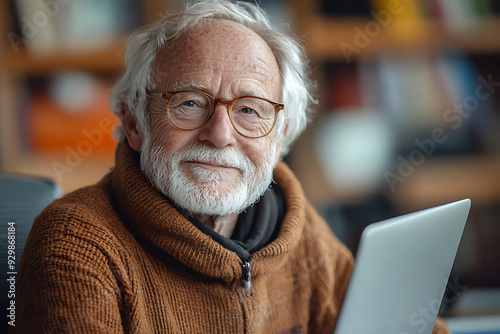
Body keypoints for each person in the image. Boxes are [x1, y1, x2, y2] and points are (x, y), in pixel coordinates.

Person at [13, 0, 450, 333]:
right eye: (189, 103)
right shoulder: (76, 244)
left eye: (250, 111)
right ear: (134, 122)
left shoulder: (295, 230)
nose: (220, 134)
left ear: (280, 138)